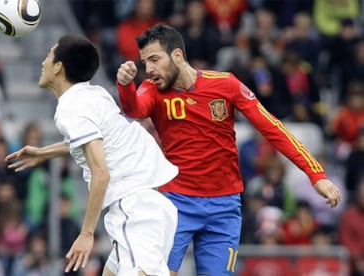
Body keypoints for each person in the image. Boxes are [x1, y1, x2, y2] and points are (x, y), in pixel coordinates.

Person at [116, 24, 342, 276]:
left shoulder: (226, 85)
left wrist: (316, 174)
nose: (149, 69)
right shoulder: (152, 89)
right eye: (145, 62)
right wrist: (125, 85)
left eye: (155, 60)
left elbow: (273, 128)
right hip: (175, 203)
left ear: (177, 55)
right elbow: (135, 110)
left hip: (223, 209)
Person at [5, 34, 179, 275]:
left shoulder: (71, 109)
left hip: (135, 208)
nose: (42, 63)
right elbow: (98, 142)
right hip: (151, 204)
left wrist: (86, 234)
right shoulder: (94, 94)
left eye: (47, 56)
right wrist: (45, 153)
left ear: (58, 67)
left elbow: (101, 173)